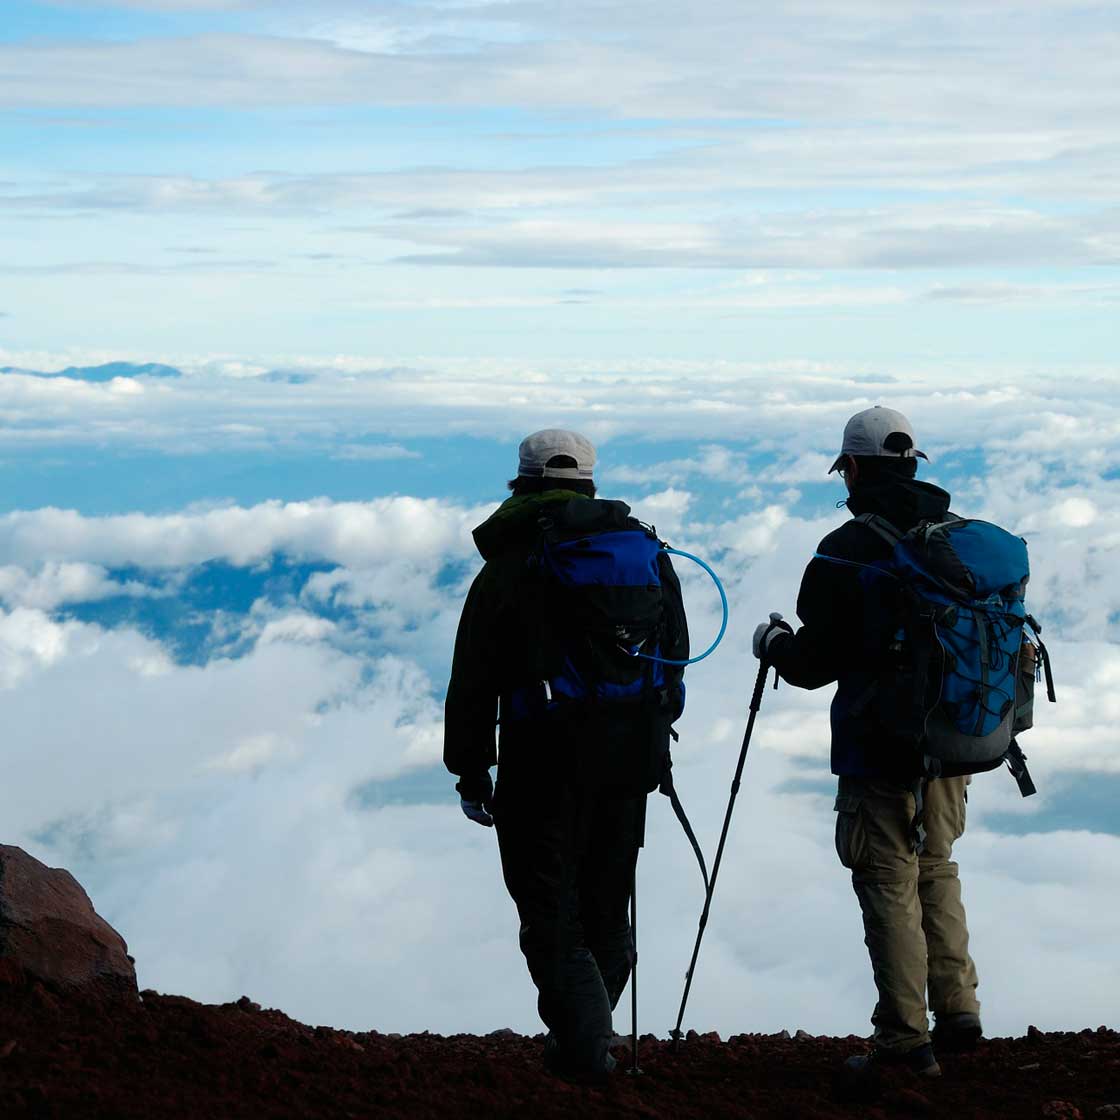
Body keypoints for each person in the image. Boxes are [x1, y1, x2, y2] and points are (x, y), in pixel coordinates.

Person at [444, 429, 688, 1080]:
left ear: (521, 483)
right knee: (608, 906)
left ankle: (584, 1053)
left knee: (551, 910)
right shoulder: (644, 555)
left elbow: (473, 680)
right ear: (590, 481)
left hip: (541, 762)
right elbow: (674, 660)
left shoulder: (511, 565)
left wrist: (470, 770)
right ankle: (587, 1041)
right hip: (631, 759)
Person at [753, 406, 983, 1080]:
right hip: (956, 739)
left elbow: (812, 665)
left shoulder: (844, 550)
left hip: (878, 745)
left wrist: (774, 646)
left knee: (887, 877)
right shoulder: (961, 541)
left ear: (851, 468)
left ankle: (904, 1042)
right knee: (935, 863)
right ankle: (959, 1005)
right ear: (915, 464)